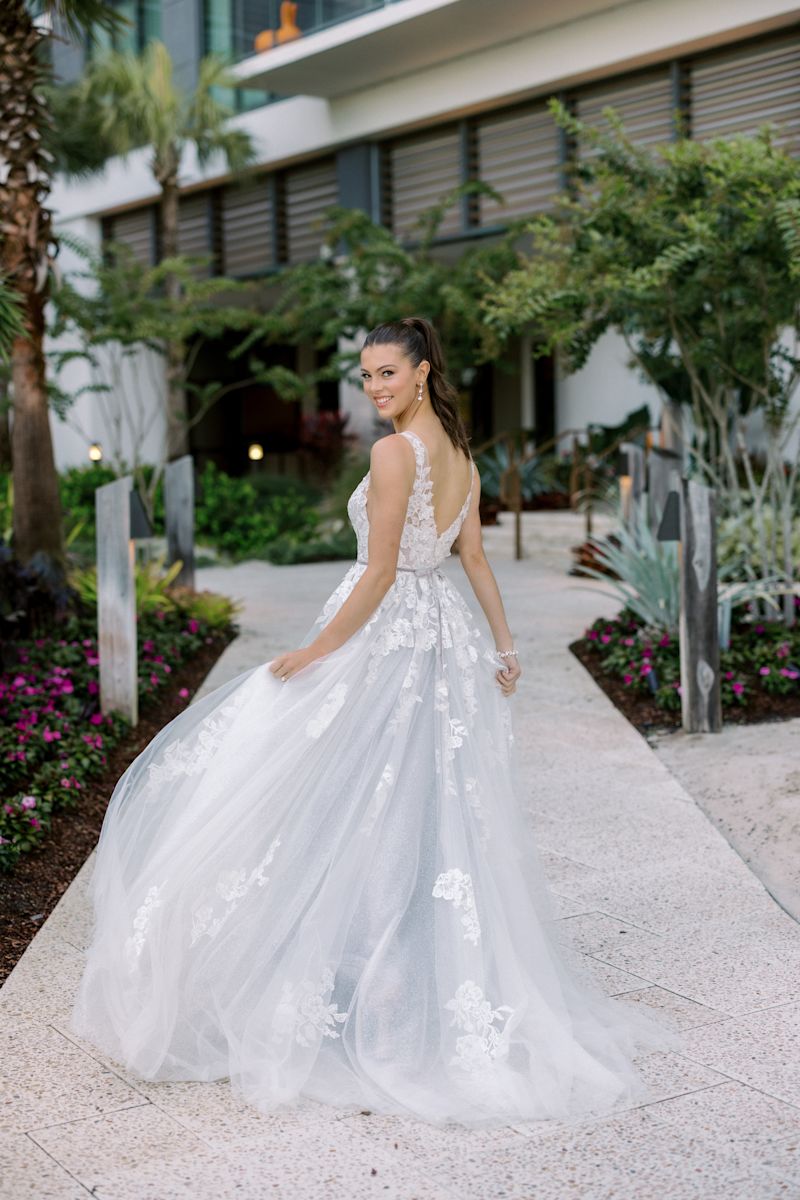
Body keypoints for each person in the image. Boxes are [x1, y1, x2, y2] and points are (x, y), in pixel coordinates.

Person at [70, 316, 681, 1129]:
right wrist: (501, 646)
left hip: (384, 638)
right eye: (366, 376)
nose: (374, 388)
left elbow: (384, 570)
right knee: (410, 803)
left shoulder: (397, 454)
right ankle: (390, 968)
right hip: (440, 641)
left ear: (423, 371)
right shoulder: (460, 454)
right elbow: (469, 560)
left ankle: (350, 967)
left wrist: (316, 650)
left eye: (387, 372)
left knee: (318, 789)